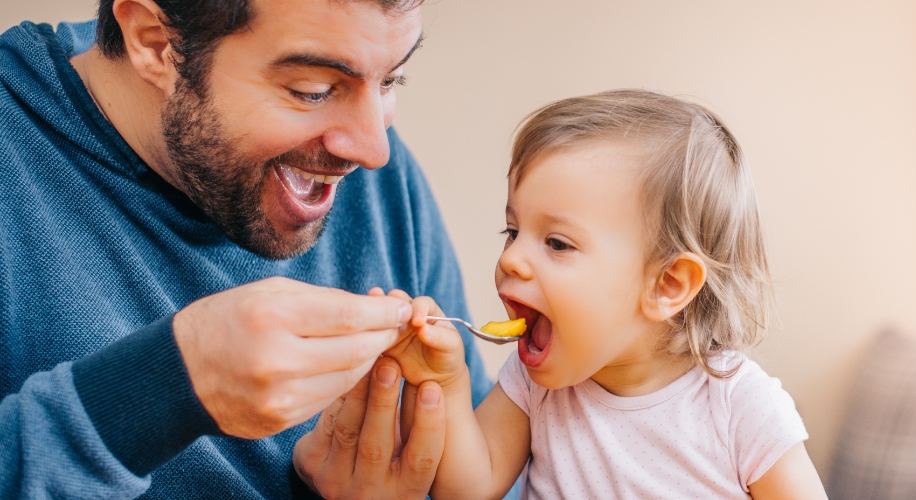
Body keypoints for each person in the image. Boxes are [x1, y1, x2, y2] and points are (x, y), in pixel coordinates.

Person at [0, 0, 489, 498]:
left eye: (391, 81)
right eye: (312, 91)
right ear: (154, 43)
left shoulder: (364, 169)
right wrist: (166, 386)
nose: (373, 151)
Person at [383, 89, 829, 498]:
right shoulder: (533, 383)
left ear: (667, 285)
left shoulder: (739, 406)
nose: (511, 259)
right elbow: (465, 489)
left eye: (557, 243)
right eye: (513, 231)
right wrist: (444, 382)